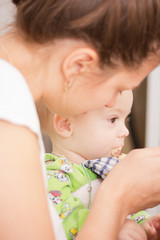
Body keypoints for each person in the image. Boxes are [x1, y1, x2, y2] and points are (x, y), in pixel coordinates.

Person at [1, 0, 160, 239]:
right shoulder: (8, 118)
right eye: (119, 88)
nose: (116, 99)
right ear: (78, 65)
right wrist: (118, 195)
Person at [37, 90, 160, 240]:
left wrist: (145, 225)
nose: (125, 131)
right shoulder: (52, 174)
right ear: (66, 125)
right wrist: (116, 227)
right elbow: (64, 222)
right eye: (113, 119)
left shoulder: (113, 169)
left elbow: (128, 210)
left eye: (126, 119)